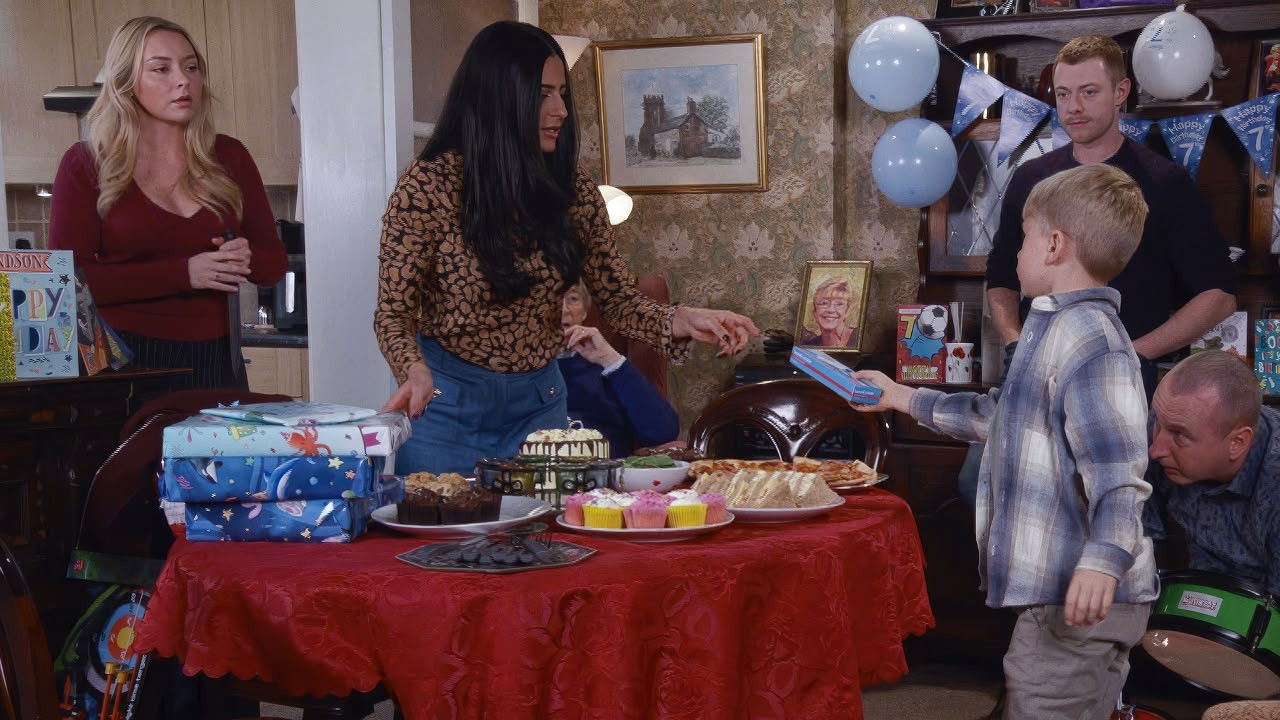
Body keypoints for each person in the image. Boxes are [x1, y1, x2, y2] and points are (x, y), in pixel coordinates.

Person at [375, 21, 758, 475]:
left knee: (549, 524)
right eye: (542, 95)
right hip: (446, 409)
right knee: (446, 521)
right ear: (499, 98)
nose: (560, 110)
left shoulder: (573, 190)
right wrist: (412, 369)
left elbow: (619, 300)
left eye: (562, 94)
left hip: (540, 411)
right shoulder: (427, 186)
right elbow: (393, 314)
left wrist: (684, 318)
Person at [853, 164, 1157, 719]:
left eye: (1023, 238)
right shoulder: (1052, 330)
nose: (1015, 254)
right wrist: (900, 396)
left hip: (1078, 592)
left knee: (1041, 701)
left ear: (1055, 246)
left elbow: (1119, 472)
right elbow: (999, 417)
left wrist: (1103, 562)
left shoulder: (1092, 341)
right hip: (1058, 594)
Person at [986, 35, 1236, 398]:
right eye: (1063, 94)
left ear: (1121, 92)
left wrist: (1132, 354)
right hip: (1034, 367)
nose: (1073, 107)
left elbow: (1219, 296)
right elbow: (1001, 278)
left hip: (1123, 378)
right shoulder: (1029, 178)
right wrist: (1015, 343)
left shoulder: (1164, 182)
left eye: (1089, 92)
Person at [49, 16, 286, 390]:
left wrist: (245, 257)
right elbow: (65, 283)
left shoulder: (230, 156)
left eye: (191, 67)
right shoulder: (85, 164)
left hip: (217, 360)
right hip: (121, 361)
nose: (183, 80)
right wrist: (184, 273)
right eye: (162, 69)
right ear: (127, 82)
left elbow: (273, 266)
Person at [1142, 350, 1280, 597]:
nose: (1156, 450)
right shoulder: (1171, 418)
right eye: (1158, 423)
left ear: (1237, 442)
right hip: (1192, 595)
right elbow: (1140, 543)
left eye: (1180, 435)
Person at [559, 280, 679, 457]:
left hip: (607, 471)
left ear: (584, 312)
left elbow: (663, 432)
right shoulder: (519, 371)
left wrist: (610, 359)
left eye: (573, 299)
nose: (563, 309)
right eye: (551, 298)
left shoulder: (606, 366)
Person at [798, 276, 859, 348]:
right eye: (824, 303)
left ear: (847, 311)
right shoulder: (809, 346)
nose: (831, 310)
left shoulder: (860, 338)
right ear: (815, 311)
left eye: (839, 304)